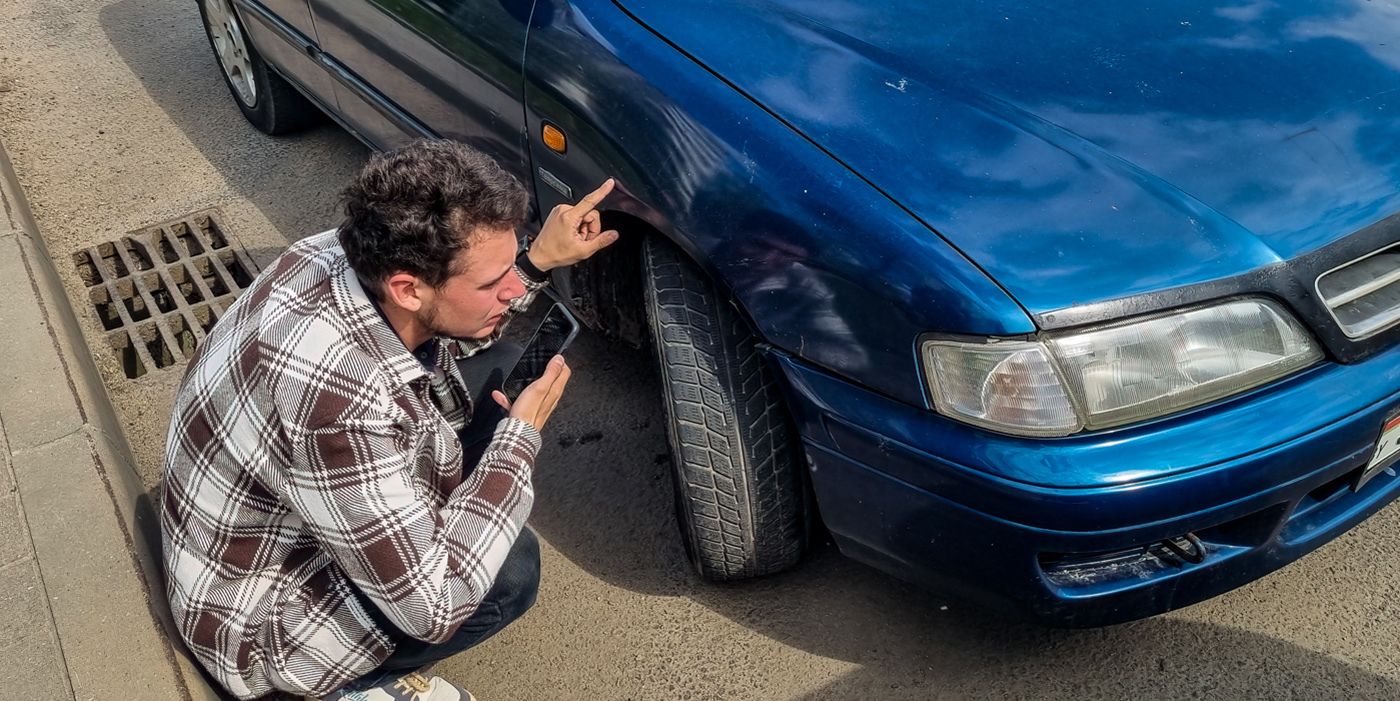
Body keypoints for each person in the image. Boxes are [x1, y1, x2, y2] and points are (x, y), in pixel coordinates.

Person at [160, 140, 618, 701]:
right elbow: (435, 607)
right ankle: (349, 690)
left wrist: (537, 261)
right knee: (511, 570)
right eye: (490, 281)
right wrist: (519, 443)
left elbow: (439, 329)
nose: (512, 290)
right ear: (408, 287)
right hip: (253, 630)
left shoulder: (334, 253)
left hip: (268, 521)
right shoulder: (335, 403)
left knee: (494, 376)